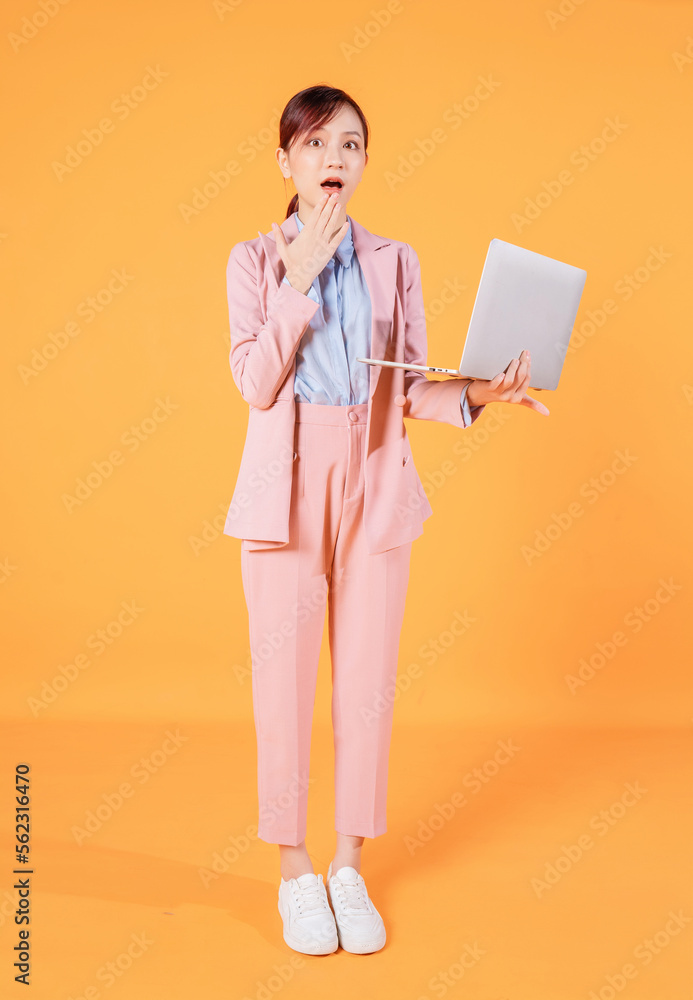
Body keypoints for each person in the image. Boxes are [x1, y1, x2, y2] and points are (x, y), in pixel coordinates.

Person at [223, 84, 549, 957]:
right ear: (285, 160)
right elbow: (255, 384)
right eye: (318, 144)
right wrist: (296, 279)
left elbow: (405, 384)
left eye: (353, 145)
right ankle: (295, 870)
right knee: (283, 683)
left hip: (373, 481)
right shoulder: (252, 261)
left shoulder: (392, 260)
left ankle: (347, 865)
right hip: (285, 488)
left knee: (366, 681)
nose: (336, 159)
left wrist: (482, 392)